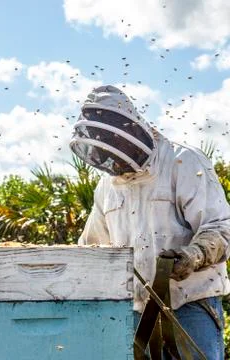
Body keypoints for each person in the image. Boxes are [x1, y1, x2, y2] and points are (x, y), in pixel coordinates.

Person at [69, 85, 230, 359]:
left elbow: (222, 228)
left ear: (129, 129)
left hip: (190, 304)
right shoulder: (107, 187)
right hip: (134, 312)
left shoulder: (184, 162)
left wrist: (194, 254)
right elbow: (92, 248)